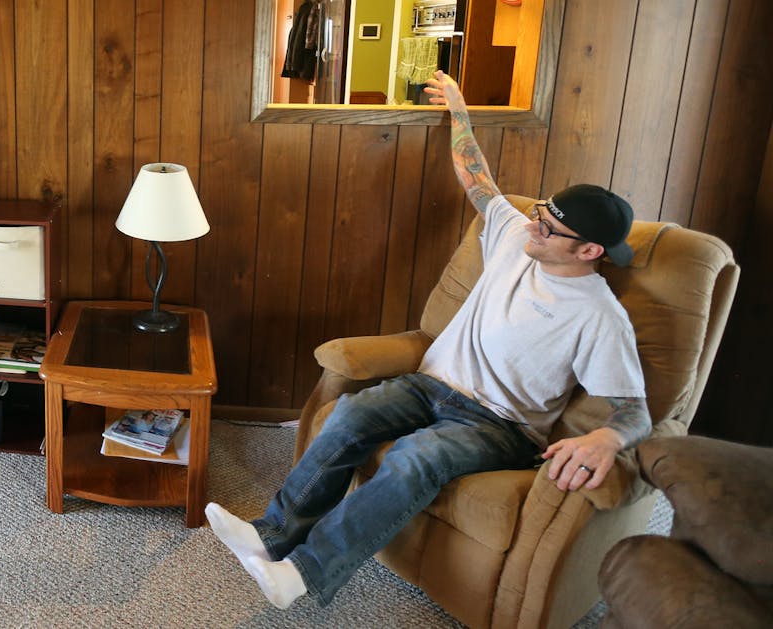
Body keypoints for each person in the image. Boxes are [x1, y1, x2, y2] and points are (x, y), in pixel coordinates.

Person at [205, 70, 652, 609]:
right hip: (429, 384)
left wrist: (606, 439)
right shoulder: (517, 237)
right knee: (349, 416)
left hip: (501, 425)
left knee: (415, 459)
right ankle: (272, 534)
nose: (533, 227)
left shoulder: (601, 316)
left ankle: (303, 575)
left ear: (589, 252)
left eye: (549, 229)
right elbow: (476, 176)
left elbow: (635, 411)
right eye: (539, 214)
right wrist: (459, 109)